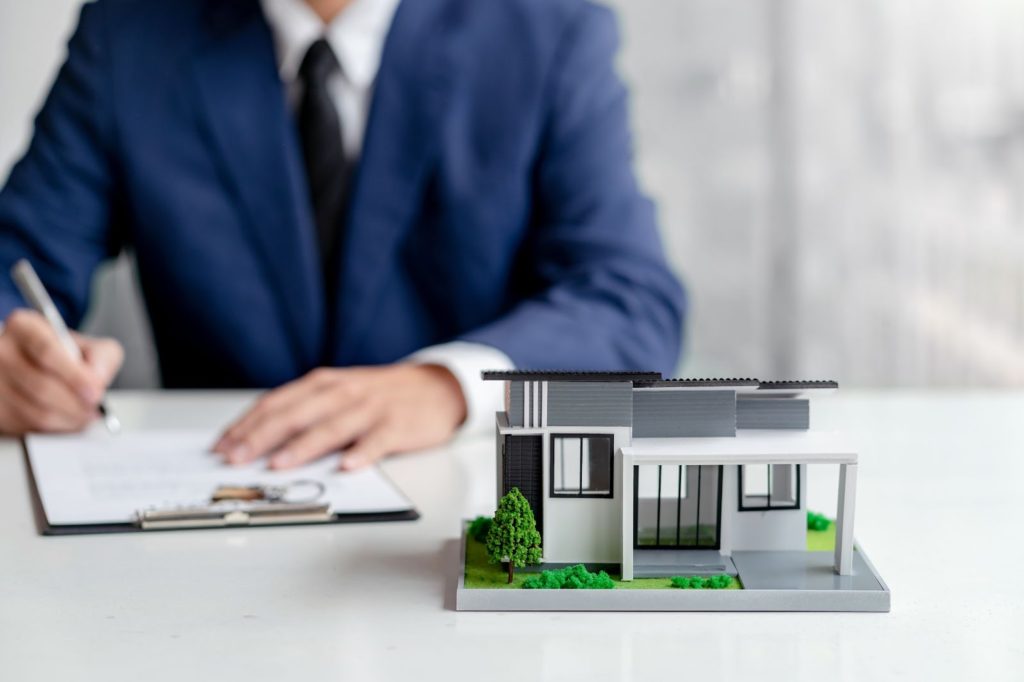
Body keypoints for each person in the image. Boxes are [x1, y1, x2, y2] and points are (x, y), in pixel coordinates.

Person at [0, 0, 685, 469]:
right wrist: (12, 357)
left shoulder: (547, 27)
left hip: (455, 511)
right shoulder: (132, 33)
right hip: (212, 515)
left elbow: (630, 304)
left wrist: (449, 387)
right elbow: (15, 261)